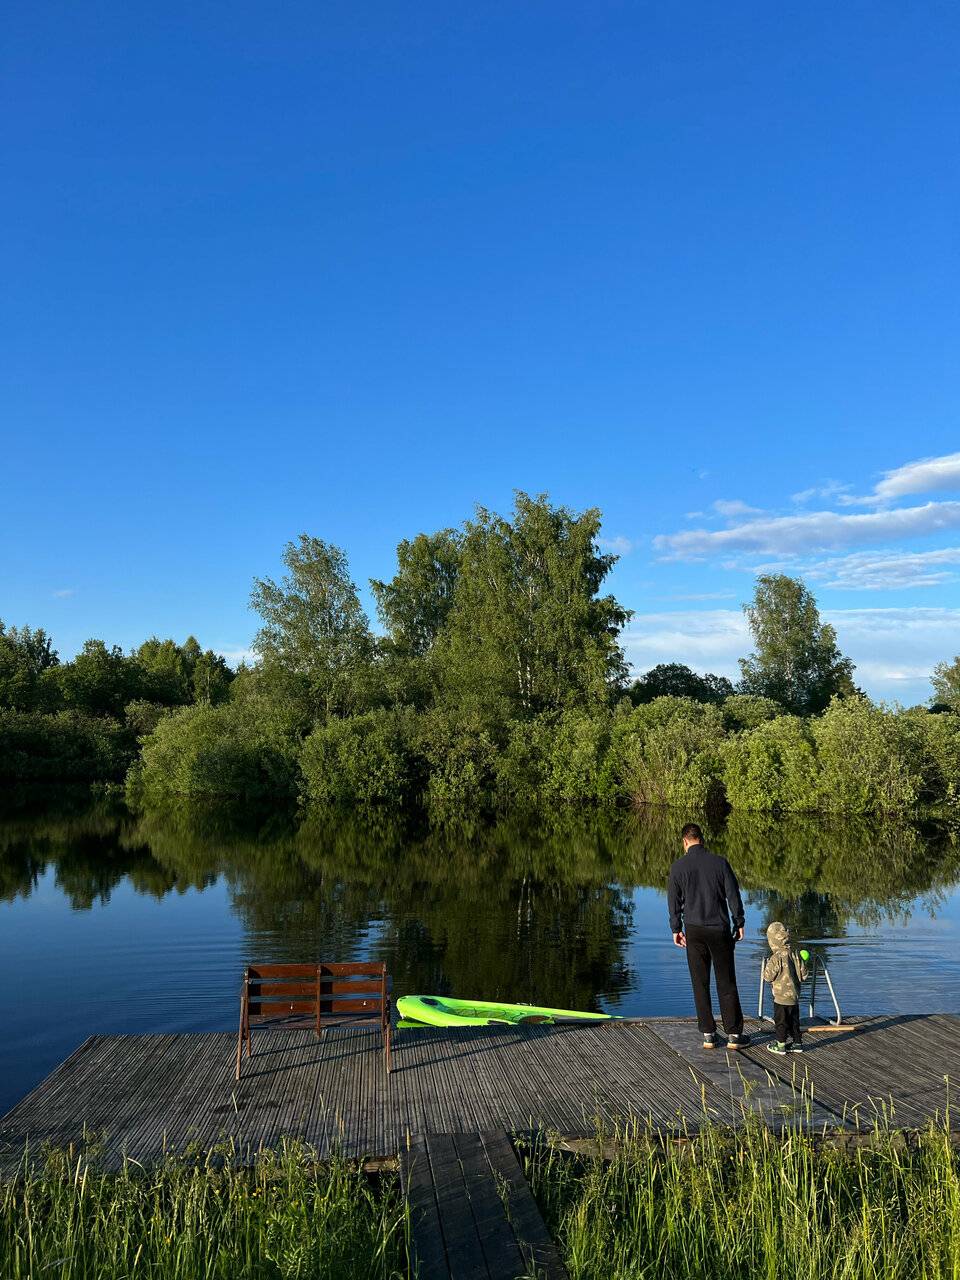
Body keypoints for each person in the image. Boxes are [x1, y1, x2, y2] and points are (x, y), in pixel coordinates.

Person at [668, 822, 749, 1050]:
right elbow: (733, 894)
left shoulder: (678, 867)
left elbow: (673, 902)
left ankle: (708, 1034)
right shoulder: (720, 863)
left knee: (700, 982)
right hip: (718, 928)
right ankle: (734, 1034)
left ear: (685, 842)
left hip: (693, 929)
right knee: (726, 981)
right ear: (702, 839)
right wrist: (739, 921)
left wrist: (676, 929)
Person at [762, 921, 808, 1054]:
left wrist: (767, 966)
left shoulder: (775, 957)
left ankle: (780, 1045)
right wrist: (804, 962)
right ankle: (797, 1043)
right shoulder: (795, 954)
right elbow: (804, 976)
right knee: (794, 1021)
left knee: (781, 1021)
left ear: (772, 941)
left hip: (781, 998)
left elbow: (768, 977)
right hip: (794, 997)